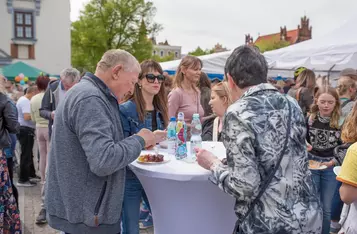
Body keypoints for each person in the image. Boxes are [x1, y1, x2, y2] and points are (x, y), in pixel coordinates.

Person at [195, 45, 322, 234]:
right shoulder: (291, 103)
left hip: (270, 224)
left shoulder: (238, 112)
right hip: (307, 218)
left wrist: (213, 164)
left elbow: (244, 186)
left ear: (230, 79)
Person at [45, 49, 163, 234]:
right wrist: (140, 139)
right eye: (132, 82)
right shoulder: (91, 99)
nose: (132, 89)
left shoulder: (89, 94)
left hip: (85, 212)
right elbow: (103, 160)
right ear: (116, 71)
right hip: (89, 217)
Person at [120, 60, 168, 233]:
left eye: (160, 78)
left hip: (155, 173)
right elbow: (121, 145)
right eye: (150, 77)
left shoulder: (160, 108)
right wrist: (148, 140)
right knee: (131, 228)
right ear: (139, 81)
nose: (156, 82)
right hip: (131, 175)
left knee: (163, 219)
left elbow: (158, 144)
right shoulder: (126, 109)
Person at [307, 87, 342, 234]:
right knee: (312, 204)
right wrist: (305, 144)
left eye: (330, 102)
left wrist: (334, 161)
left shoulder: (340, 122)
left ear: (336, 103)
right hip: (312, 164)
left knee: (326, 207)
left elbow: (344, 147)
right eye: (322, 102)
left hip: (330, 166)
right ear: (316, 101)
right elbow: (301, 138)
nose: (326, 105)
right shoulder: (310, 119)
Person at [0, 76, 21, 233]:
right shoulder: (4, 101)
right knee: (6, 188)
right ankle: (11, 221)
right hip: (2, 150)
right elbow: (13, 127)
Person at [30, 75, 51, 224]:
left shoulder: (33, 98)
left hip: (38, 127)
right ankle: (46, 178)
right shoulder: (49, 97)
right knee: (49, 155)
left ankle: (42, 176)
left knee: (42, 155)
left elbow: (32, 117)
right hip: (48, 127)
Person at [39, 68, 80, 139]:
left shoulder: (81, 88)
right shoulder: (53, 88)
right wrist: (51, 114)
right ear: (61, 80)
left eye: (73, 86)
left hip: (75, 132)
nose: (69, 89)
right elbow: (42, 111)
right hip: (57, 132)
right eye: (67, 86)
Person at [168, 55, 204, 125]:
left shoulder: (197, 92)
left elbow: (199, 119)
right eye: (195, 69)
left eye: (200, 69)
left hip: (197, 135)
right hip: (181, 135)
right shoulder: (177, 93)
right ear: (183, 70)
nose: (199, 72)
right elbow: (169, 121)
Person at [16, 85, 39, 187]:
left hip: (24, 129)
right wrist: (37, 115)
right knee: (26, 154)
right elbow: (26, 116)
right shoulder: (25, 101)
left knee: (28, 154)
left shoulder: (23, 99)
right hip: (25, 129)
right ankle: (23, 179)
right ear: (33, 93)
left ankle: (30, 174)